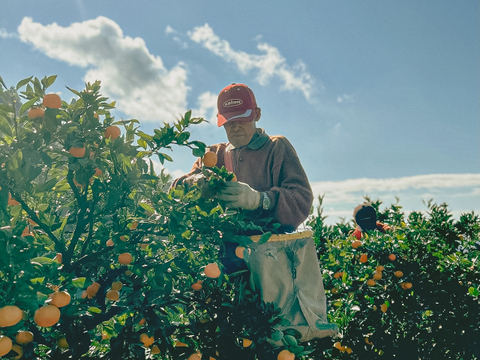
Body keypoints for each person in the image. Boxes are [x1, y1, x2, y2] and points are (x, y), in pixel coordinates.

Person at [173, 83, 338, 356]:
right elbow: (174, 191)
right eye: (229, 123)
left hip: (270, 267)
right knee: (224, 342)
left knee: (273, 340)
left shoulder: (277, 148)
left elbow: (301, 199)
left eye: (242, 120)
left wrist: (260, 199)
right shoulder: (214, 156)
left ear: (257, 114)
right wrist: (196, 184)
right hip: (223, 267)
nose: (236, 128)